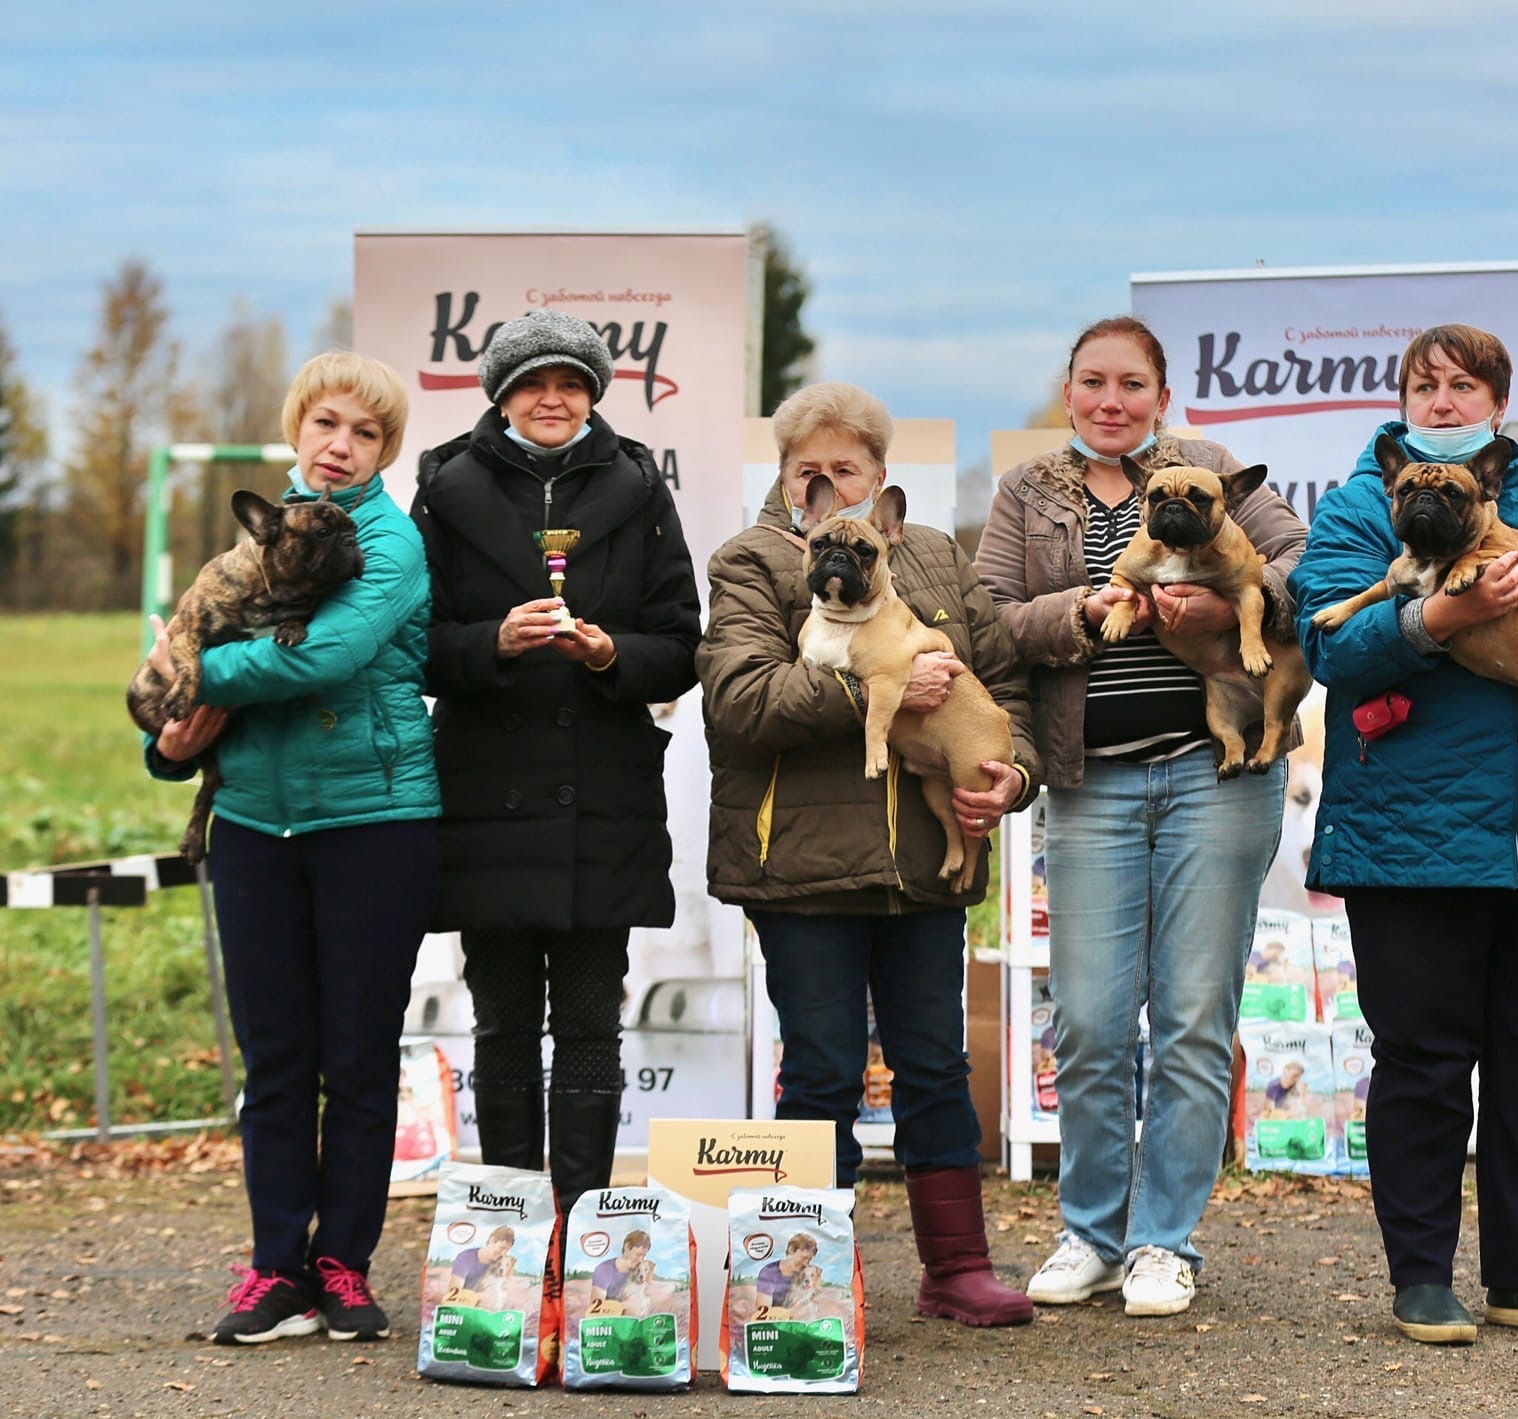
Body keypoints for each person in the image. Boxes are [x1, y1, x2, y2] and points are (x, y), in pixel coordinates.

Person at [1287, 323, 1518, 1345]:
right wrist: (1434, 626)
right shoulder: (1365, 509)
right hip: (1406, 834)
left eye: (1463, 386)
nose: (1444, 400)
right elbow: (1330, 648)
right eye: (1425, 385)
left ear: (1497, 407)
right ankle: (1422, 1278)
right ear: (1403, 404)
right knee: (1421, 1060)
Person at [973, 316, 1306, 1318]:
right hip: (1093, 782)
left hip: (1218, 774)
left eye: (1131, 384)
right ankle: (1091, 1232)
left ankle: (1166, 1242)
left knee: (1196, 1017)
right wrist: (1080, 611)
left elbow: (1308, 571)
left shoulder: (1216, 471)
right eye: (1091, 383)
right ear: (1068, 392)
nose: (1110, 401)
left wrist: (1236, 607)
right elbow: (990, 620)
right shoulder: (1028, 494)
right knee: (1088, 1020)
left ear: (1162, 394)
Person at [697, 381, 1038, 1328]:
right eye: (810, 471)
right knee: (822, 1068)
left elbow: (1005, 681)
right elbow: (739, 701)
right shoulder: (751, 563)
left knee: (933, 1062)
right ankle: (803, 1281)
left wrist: (1017, 777)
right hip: (802, 865)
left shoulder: (933, 555)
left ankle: (957, 1267)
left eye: (846, 468)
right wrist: (880, 689)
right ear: (788, 487)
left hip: (929, 860)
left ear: (882, 479)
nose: (828, 484)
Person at [144, 352, 439, 1345]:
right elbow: (178, 706)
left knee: (357, 1056)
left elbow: (323, 655)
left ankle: (343, 1267)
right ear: (297, 432)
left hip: (376, 823)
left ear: (385, 449)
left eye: (363, 432)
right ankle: (274, 1269)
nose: (340, 446)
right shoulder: (252, 546)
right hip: (255, 827)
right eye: (325, 426)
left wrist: (191, 672)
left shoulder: (389, 546)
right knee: (275, 1060)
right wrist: (168, 737)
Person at [410, 310, 701, 1217]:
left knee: (587, 1023)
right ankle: (506, 1225)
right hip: (482, 795)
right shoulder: (445, 489)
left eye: (569, 382)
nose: (551, 397)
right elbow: (408, 642)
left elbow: (683, 642)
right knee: (498, 1022)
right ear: (500, 395)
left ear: (593, 395)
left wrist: (614, 656)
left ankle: (582, 1228)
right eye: (532, 383)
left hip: (600, 796)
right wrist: (490, 643)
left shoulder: (639, 488)